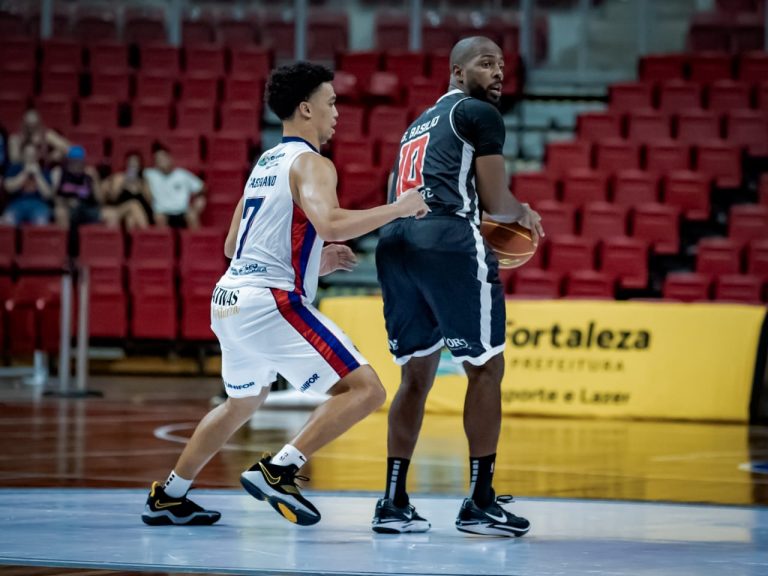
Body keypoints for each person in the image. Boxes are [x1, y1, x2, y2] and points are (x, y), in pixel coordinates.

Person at [141, 62, 428, 527]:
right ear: (306, 108)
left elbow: (233, 245)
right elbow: (330, 223)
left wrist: (314, 261)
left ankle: (169, 496)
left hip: (228, 300)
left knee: (241, 402)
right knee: (366, 389)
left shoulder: (264, 164)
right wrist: (399, 208)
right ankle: (280, 470)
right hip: (268, 302)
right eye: (331, 102)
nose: (337, 112)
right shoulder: (312, 163)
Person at [372, 36, 544, 537]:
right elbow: (496, 201)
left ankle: (392, 502)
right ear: (457, 71)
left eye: (502, 65)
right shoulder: (479, 113)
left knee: (414, 376)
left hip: (395, 242)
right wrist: (523, 214)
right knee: (486, 368)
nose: (498, 73)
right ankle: (480, 502)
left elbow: (397, 193)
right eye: (486, 64)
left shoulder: (416, 125)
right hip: (448, 239)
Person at [52, 145, 117, 229]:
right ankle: (66, 237)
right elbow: (56, 198)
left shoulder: (89, 175)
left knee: (112, 215)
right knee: (60, 212)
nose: (75, 164)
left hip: (87, 209)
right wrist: (68, 202)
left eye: (78, 161)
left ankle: (103, 238)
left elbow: (100, 200)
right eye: (73, 161)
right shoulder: (61, 174)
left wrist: (95, 180)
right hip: (68, 209)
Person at [144, 144, 206, 229]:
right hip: (162, 212)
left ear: (170, 158)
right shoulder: (149, 174)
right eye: (158, 159)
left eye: (163, 158)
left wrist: (198, 202)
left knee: (192, 216)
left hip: (182, 211)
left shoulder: (182, 174)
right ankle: (163, 238)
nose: (161, 161)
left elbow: (202, 187)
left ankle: (197, 238)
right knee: (159, 218)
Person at [1, 142, 54, 225]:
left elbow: (48, 195)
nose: (30, 158)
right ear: (22, 155)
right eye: (27, 155)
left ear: (37, 156)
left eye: (32, 155)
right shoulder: (15, 168)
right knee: (7, 220)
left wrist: (37, 174)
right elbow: (8, 188)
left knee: (41, 223)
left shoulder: (43, 170)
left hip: (38, 204)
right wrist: (24, 173)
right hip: (17, 203)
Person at [103, 151, 154, 230]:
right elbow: (113, 198)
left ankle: (135, 237)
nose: (133, 165)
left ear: (140, 165)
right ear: (126, 164)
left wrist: (141, 187)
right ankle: (146, 233)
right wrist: (123, 183)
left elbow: (150, 201)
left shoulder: (143, 181)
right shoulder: (119, 178)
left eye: (135, 162)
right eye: (130, 162)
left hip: (141, 213)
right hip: (121, 210)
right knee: (133, 204)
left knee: (131, 218)